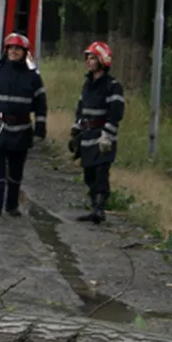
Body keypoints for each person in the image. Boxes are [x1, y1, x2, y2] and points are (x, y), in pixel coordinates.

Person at [0, 32, 47, 217]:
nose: (14, 52)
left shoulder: (33, 78)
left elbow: (41, 106)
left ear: (24, 52)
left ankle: (11, 206)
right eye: (11, 48)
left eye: (18, 49)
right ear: (6, 51)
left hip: (21, 131)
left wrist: (40, 130)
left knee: (15, 172)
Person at [69, 41, 125, 224]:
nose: (89, 61)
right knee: (89, 175)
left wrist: (108, 135)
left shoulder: (112, 86)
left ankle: (100, 209)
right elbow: (80, 108)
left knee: (101, 173)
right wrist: (75, 131)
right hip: (87, 137)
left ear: (102, 60)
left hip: (103, 137)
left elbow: (116, 112)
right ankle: (94, 207)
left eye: (92, 58)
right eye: (88, 58)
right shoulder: (87, 85)